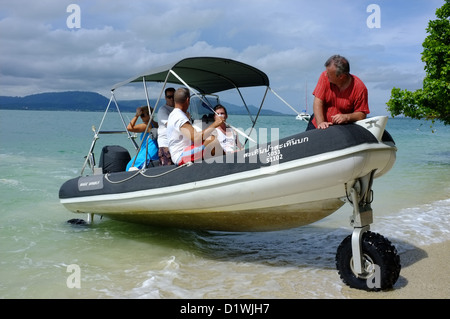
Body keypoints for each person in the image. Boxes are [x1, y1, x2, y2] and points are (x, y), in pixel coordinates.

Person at [306, 55, 370, 130]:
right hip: (317, 124)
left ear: (341, 76)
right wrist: (321, 123)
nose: (326, 74)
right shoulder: (324, 76)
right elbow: (318, 102)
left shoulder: (360, 88)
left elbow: (362, 114)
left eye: (329, 74)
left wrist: (346, 117)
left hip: (341, 130)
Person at [167, 88, 224, 166]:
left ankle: (221, 162)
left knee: (210, 140)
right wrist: (215, 124)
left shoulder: (174, 114)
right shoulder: (179, 117)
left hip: (183, 152)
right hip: (180, 156)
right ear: (188, 100)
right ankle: (226, 165)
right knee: (212, 140)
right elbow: (197, 138)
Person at [126, 106, 159, 171]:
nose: (141, 117)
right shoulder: (156, 124)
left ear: (149, 115)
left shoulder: (146, 125)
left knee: (129, 166)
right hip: (155, 151)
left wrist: (136, 115)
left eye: (143, 115)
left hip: (148, 153)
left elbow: (129, 127)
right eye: (140, 115)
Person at [157, 87, 176, 166]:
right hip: (165, 144)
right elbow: (170, 125)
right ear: (165, 98)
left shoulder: (177, 109)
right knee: (167, 167)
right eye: (169, 97)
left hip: (175, 143)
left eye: (173, 97)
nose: (171, 99)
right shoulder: (163, 110)